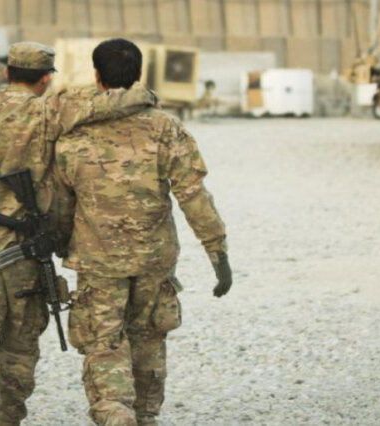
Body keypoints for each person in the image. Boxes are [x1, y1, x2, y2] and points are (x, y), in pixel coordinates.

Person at [0, 41, 157, 426]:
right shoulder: (52, 111)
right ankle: (9, 416)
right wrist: (144, 94)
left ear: (6, 72)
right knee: (20, 340)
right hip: (26, 248)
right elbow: (108, 103)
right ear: (46, 78)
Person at [54, 38, 233, 426]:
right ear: (140, 75)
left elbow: (60, 202)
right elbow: (193, 195)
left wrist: (59, 242)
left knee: (104, 341)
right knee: (150, 335)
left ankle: (115, 411)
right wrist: (218, 253)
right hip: (154, 257)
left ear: (97, 77)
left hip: (98, 259)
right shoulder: (166, 128)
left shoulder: (74, 132)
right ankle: (145, 414)